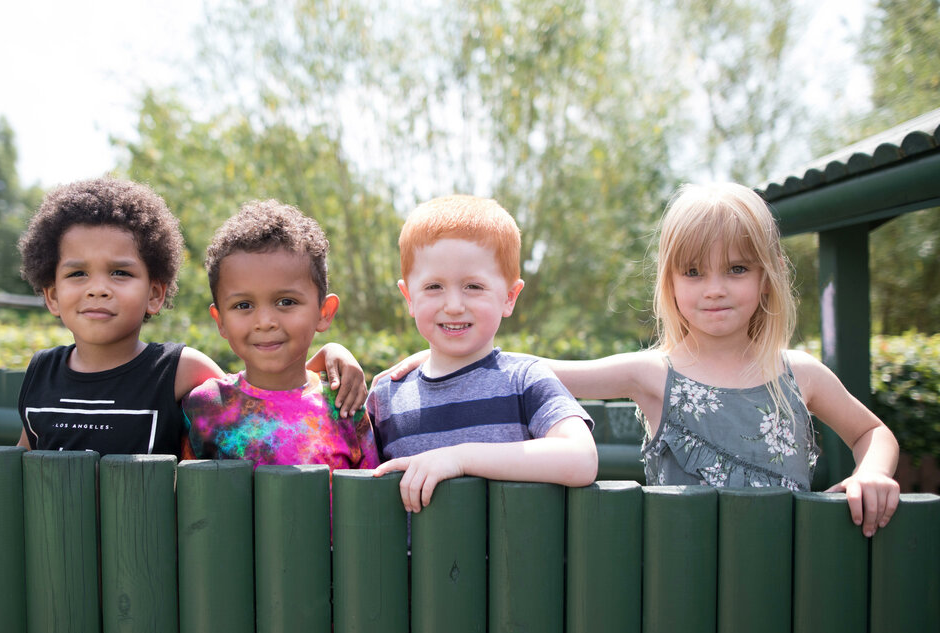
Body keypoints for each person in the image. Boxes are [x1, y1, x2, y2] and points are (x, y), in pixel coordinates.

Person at [383, 182, 900, 536]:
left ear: (766, 275)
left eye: (737, 269)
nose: (714, 290)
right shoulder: (651, 372)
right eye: (694, 272)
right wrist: (439, 350)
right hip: (678, 571)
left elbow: (872, 433)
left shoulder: (800, 373)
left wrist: (871, 474)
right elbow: (512, 366)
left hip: (786, 568)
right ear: (670, 283)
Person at [16, 177, 366, 456]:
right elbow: (21, 460)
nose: (98, 289)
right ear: (52, 296)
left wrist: (330, 354)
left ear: (155, 293)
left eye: (120, 273)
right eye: (78, 274)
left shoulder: (181, 370)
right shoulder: (41, 373)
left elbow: (262, 388)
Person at [367, 194, 598, 513]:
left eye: (473, 287)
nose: (453, 305)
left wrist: (459, 459)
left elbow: (581, 459)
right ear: (408, 297)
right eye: (434, 287)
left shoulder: (525, 380)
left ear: (509, 297)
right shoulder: (386, 397)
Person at [182, 199, 379, 472]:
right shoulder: (205, 407)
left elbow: (372, 502)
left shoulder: (344, 407)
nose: (265, 322)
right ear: (221, 321)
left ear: (324, 311)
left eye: (286, 302)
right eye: (243, 306)